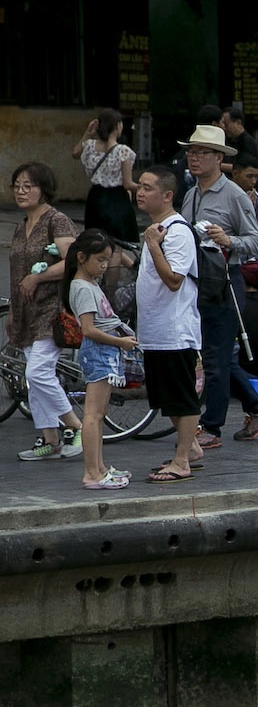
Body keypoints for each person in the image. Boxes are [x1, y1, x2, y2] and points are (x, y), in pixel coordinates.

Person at [178, 123, 258, 446]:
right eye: (191, 152)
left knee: (215, 358)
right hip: (198, 280)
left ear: (219, 158)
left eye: (202, 153)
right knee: (219, 356)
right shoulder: (191, 194)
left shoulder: (235, 195)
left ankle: (211, 426)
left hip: (225, 280)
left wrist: (228, 239)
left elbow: (255, 242)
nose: (194, 158)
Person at [134, 166, 205, 484]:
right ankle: (190, 448)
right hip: (155, 331)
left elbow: (175, 280)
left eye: (148, 187)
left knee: (181, 396)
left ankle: (181, 461)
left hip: (175, 331)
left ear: (167, 195)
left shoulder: (176, 231)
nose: (140, 191)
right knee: (164, 396)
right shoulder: (157, 229)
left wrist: (151, 245)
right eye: (139, 186)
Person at [9, 169, 85, 464]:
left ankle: (75, 425)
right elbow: (18, 273)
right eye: (17, 186)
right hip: (26, 310)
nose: (21, 191)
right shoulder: (20, 225)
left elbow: (72, 262)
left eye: (29, 186)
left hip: (52, 309)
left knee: (37, 372)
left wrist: (37, 279)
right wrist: (14, 312)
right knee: (35, 378)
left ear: (44, 189)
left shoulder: (57, 220)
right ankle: (49, 438)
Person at [61, 231, 138, 489]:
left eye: (107, 260)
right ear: (82, 258)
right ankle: (91, 472)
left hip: (104, 350)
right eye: (100, 260)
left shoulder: (90, 283)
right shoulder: (81, 287)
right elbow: (89, 329)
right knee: (92, 415)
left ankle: (100, 467)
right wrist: (120, 342)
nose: (105, 266)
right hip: (99, 350)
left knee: (99, 413)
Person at [73, 109, 139, 240]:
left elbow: (75, 153)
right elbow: (128, 184)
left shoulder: (90, 146)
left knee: (97, 241)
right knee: (116, 243)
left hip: (95, 197)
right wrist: (145, 188)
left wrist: (87, 133)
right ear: (117, 126)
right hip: (116, 198)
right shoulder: (123, 151)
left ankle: (123, 262)